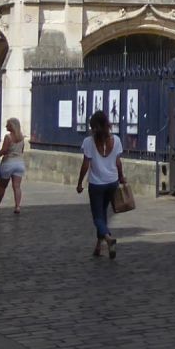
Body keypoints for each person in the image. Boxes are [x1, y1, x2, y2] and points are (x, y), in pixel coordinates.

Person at [74, 110, 125, 258]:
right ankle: (98, 247)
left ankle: (108, 239)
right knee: (103, 215)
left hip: (97, 184)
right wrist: (121, 177)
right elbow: (118, 162)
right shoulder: (116, 140)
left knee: (97, 217)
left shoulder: (89, 142)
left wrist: (79, 183)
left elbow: (86, 164)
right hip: (112, 182)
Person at [0, 118, 26, 213]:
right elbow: (22, 151)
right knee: (17, 186)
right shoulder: (22, 137)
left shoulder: (8, 137)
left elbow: (4, 150)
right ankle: (17, 206)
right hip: (19, 162)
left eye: (8, 125)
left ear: (12, 126)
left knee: (3, 186)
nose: (6, 126)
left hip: (8, 162)